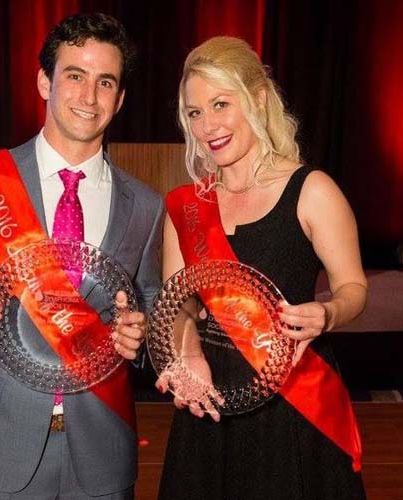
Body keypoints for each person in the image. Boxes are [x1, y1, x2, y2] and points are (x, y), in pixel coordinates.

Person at [0, 13, 163, 500]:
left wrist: (143, 328)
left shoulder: (147, 206)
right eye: (74, 75)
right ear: (44, 81)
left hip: (103, 443)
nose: (89, 97)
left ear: (120, 98)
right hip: (0, 438)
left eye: (105, 82)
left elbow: (148, 294)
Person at [156, 36, 367, 500]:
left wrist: (328, 313)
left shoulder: (312, 190)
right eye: (194, 112)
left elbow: (353, 287)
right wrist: (188, 352)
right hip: (208, 400)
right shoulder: (187, 207)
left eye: (220, 104)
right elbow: (179, 307)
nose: (207, 124)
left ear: (258, 98)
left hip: (293, 401)